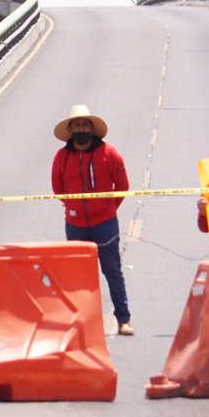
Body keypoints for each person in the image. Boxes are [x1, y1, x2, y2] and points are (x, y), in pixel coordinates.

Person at [51, 104, 133, 336]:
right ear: (70, 129)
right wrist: (74, 208)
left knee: (112, 271)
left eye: (85, 124)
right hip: (75, 225)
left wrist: (107, 209)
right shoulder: (62, 157)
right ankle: (82, 323)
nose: (81, 128)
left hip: (105, 224)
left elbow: (123, 186)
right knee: (79, 276)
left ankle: (123, 319)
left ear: (92, 128)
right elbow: (58, 189)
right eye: (76, 124)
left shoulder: (109, 153)